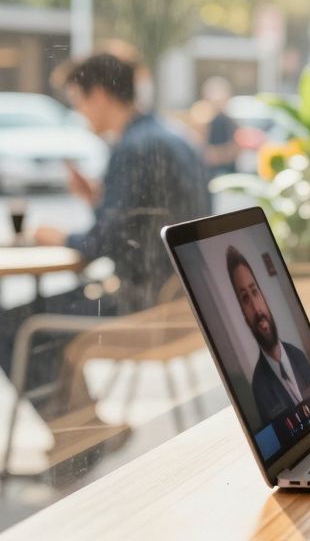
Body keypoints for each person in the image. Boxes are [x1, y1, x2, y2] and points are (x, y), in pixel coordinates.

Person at [0, 53, 209, 464]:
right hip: (180, 302)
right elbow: (143, 226)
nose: (79, 112)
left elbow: (102, 244)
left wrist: (61, 235)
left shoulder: (133, 148)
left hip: (142, 305)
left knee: (14, 324)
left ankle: (79, 439)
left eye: (78, 99)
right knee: (37, 317)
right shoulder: (173, 136)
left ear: (98, 94)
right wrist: (99, 198)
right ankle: (79, 437)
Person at [224, 246, 310, 426]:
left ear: (264, 297)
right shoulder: (259, 388)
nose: (256, 308)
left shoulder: (298, 355)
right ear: (244, 315)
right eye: (245, 299)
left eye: (254, 292)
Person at [198, 76, 240, 179]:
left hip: (224, 172)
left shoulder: (227, 121)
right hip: (211, 173)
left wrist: (216, 155)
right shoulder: (204, 119)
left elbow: (234, 148)